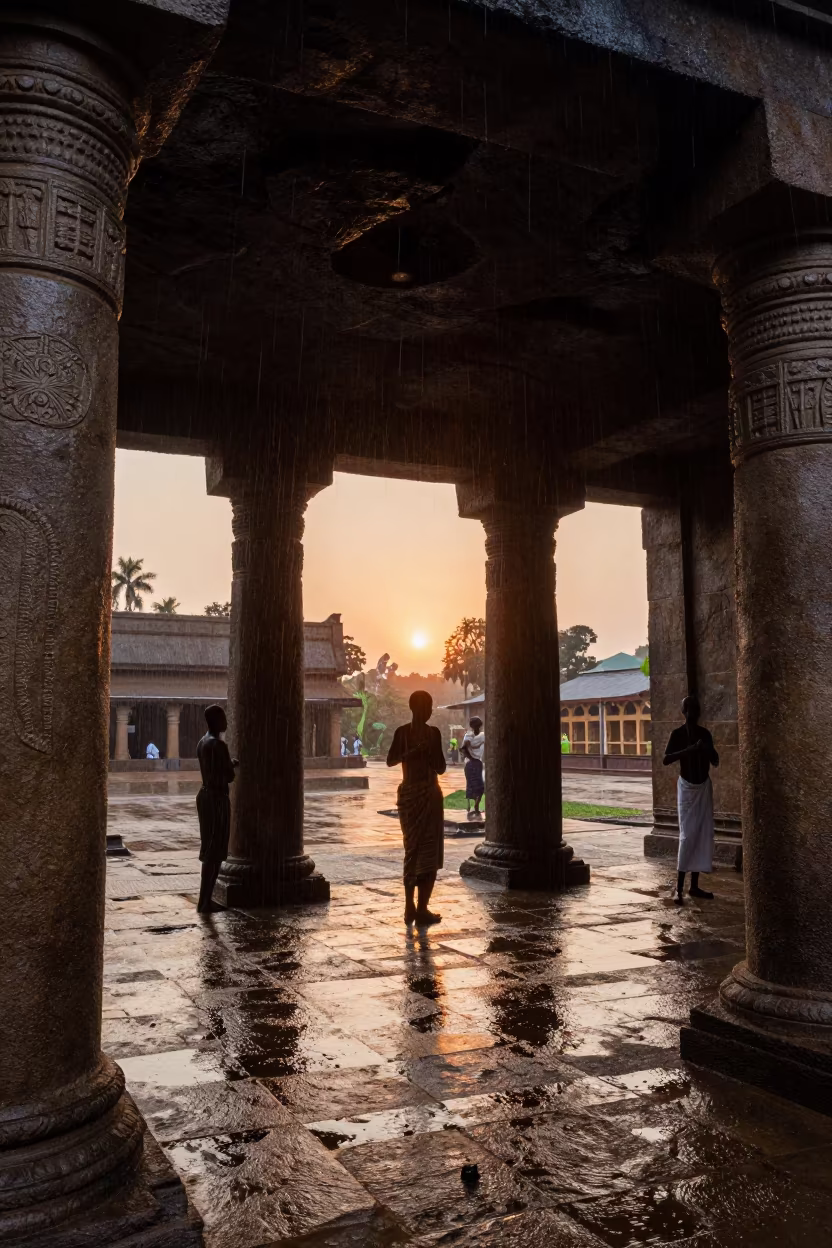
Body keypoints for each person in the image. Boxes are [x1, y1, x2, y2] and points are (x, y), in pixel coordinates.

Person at [387, 691, 447, 926]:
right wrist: (411, 753)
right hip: (411, 796)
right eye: (426, 707)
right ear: (414, 708)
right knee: (411, 850)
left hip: (430, 795)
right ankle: (409, 905)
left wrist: (428, 753)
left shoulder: (434, 734)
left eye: (430, 706)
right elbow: (391, 760)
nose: (429, 711)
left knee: (429, 855)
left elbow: (441, 767)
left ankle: (422, 907)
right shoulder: (402, 733)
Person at [663, 695, 719, 904]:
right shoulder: (677, 734)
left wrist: (707, 749)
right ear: (683, 711)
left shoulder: (705, 734)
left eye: (696, 709)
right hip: (687, 788)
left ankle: (694, 886)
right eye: (689, 709)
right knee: (687, 835)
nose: (693, 713)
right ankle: (679, 887)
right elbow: (666, 759)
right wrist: (689, 750)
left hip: (703, 786)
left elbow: (716, 761)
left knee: (703, 833)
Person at [195, 704, 237, 913]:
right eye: (223, 718)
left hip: (204, 795)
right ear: (216, 721)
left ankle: (203, 899)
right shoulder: (219, 745)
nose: (226, 722)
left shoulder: (202, 743)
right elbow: (229, 776)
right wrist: (232, 764)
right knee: (217, 851)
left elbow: (211, 768)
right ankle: (206, 901)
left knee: (208, 848)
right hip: (217, 798)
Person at [461, 716, 485, 819]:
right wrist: (472, 758)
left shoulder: (482, 735)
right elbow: (463, 749)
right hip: (470, 763)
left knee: (480, 785)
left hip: (478, 763)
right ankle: (471, 806)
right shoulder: (468, 735)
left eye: (478, 725)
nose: (477, 727)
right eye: (475, 725)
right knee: (472, 784)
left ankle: (476, 805)